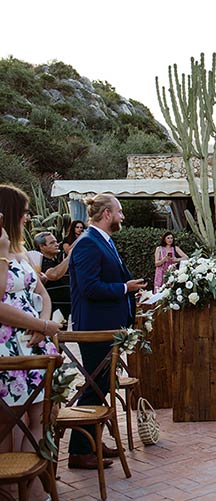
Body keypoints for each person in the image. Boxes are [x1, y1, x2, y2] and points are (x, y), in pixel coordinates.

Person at [68, 194, 145, 470]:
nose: (123, 217)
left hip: (108, 328)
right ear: (107, 214)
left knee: (102, 387)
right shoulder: (87, 243)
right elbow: (89, 287)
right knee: (94, 388)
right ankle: (78, 451)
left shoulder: (103, 241)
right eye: (120, 212)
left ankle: (92, 442)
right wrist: (125, 289)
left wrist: (128, 287)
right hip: (94, 328)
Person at [0, 187, 61, 500]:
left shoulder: (22, 254)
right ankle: (13, 490)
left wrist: (45, 326)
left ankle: (32, 487)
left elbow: (44, 294)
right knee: (12, 423)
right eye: (23, 211)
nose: (27, 217)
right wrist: (40, 324)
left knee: (41, 417)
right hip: (8, 351)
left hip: (35, 345)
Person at [34, 231, 73, 322]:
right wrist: (69, 256)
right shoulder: (39, 263)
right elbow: (54, 274)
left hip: (67, 313)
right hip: (53, 315)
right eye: (52, 243)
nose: (56, 244)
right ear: (42, 247)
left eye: (56, 242)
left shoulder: (57, 261)